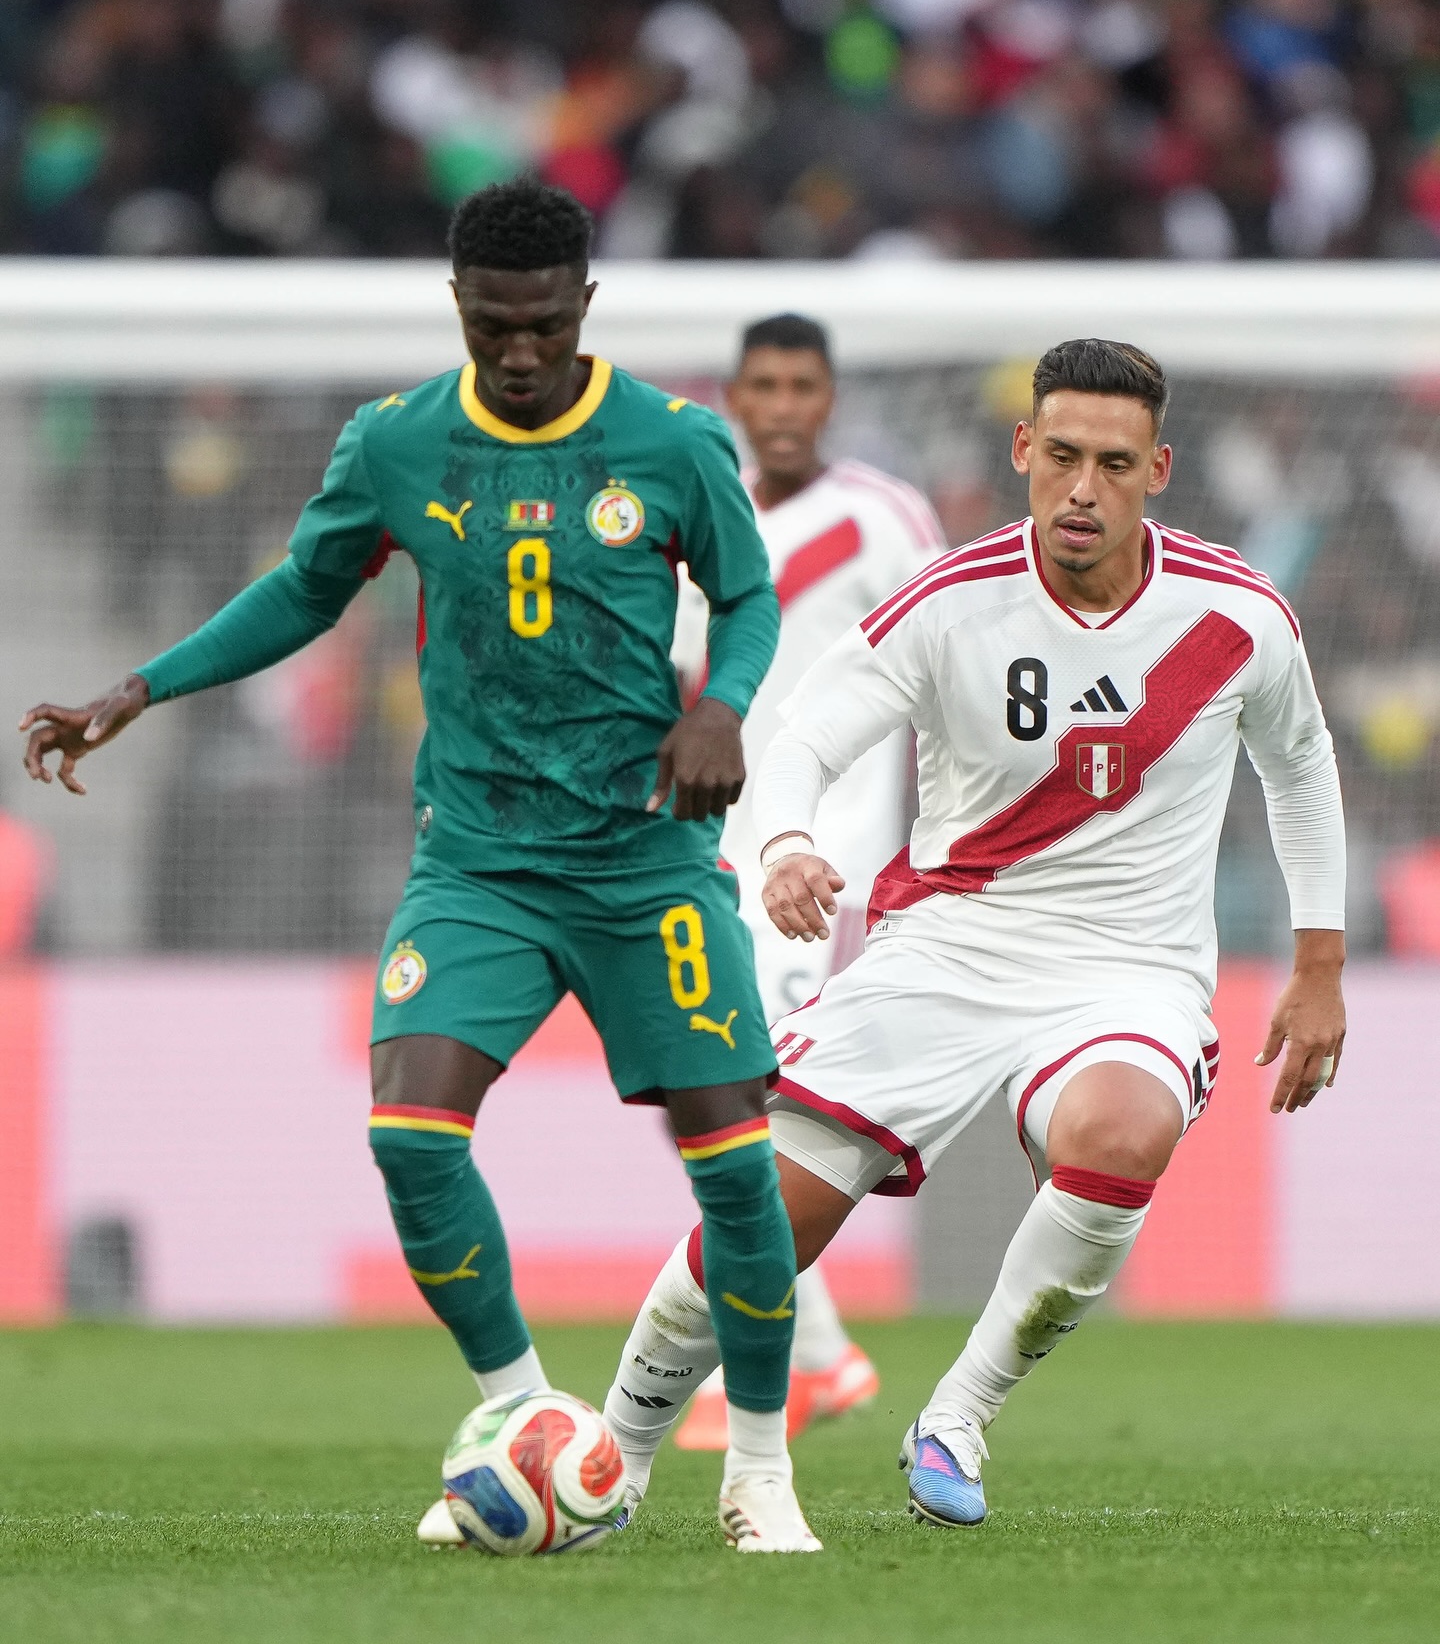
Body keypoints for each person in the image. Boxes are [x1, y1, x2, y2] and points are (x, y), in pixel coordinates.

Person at [17, 177, 822, 1555]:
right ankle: (529, 1425)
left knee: (737, 1169)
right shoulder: (395, 441)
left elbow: (748, 595)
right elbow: (305, 588)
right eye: (494, 326)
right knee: (410, 1137)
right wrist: (140, 690)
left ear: (584, 307)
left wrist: (721, 709)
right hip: (483, 863)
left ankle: (757, 1472)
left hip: (645, 861)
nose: (519, 354)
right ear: (460, 305)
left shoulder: (674, 440)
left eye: (544, 327)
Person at [603, 338, 1347, 1528]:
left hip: (1130, 971)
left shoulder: (1236, 616)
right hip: (947, 948)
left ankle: (958, 1412)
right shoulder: (951, 601)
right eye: (1060, 458)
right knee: (763, 1218)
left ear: (1159, 469)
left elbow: (1301, 765)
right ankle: (614, 1452)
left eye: (1113, 464)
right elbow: (799, 737)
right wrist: (787, 840)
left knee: (1122, 1135)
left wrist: (1319, 963)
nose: (1082, 490)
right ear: (1022, 452)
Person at [665, 313, 945, 1453]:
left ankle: (781, 1361)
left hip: (829, 855)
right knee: (711, 1088)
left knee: (755, 1092)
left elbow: (952, 664)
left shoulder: (887, 519)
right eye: (763, 385)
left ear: (830, 398)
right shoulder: (698, 510)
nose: (782, 405)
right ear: (735, 394)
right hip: (704, 843)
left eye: (803, 386)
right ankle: (817, 1354)